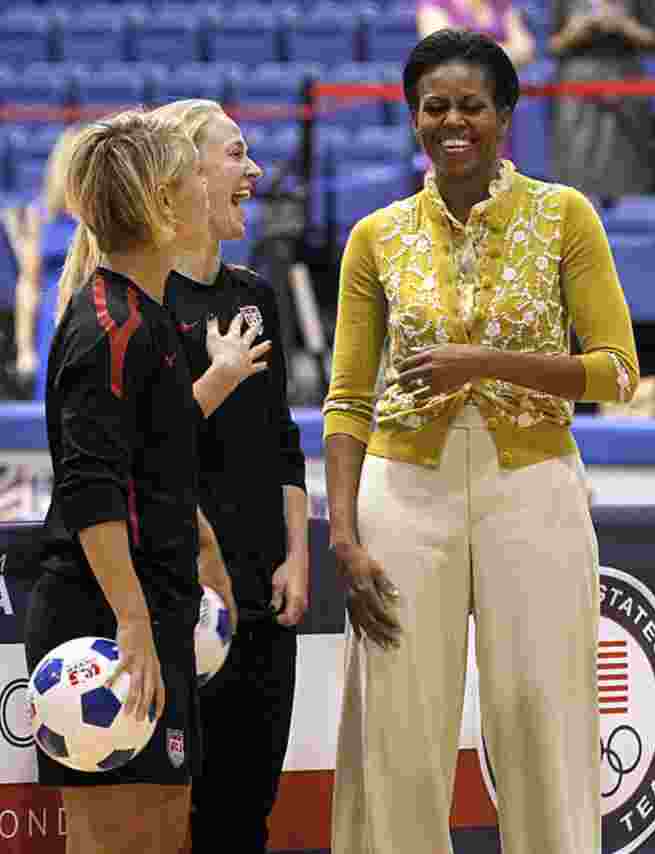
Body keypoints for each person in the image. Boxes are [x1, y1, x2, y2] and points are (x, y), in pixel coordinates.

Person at [323, 28, 639, 854]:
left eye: (471, 105)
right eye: (435, 106)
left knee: (544, 714)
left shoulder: (564, 214)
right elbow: (348, 401)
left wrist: (487, 363)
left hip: (533, 490)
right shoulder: (375, 237)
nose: (451, 121)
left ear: (504, 115)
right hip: (403, 496)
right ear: (413, 118)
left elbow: (616, 372)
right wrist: (344, 532)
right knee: (398, 724)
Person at [22, 110, 269, 854]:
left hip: (154, 615)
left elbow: (154, 458)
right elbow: (93, 491)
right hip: (103, 622)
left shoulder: (147, 316)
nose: (209, 182)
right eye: (195, 173)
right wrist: (131, 621)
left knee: (164, 837)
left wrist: (202, 550)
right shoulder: (107, 325)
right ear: (163, 200)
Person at [150, 98, 309, 854]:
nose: (255, 171)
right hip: (178, 594)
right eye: (236, 155)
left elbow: (282, 443)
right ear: (184, 175)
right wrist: (214, 378)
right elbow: (137, 453)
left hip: (261, 593)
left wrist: (298, 554)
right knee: (172, 820)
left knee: (248, 814)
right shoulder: (138, 305)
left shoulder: (256, 296)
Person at [548, 0, 655, 204]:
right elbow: (553, 44)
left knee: (628, 169)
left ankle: (629, 226)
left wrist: (623, 25)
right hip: (577, 86)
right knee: (576, 166)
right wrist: (578, 30)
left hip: (627, 83)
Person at [9, 125, 80, 401]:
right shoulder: (39, 214)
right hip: (52, 322)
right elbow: (28, 285)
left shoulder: (103, 214)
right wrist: (25, 349)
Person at [417, 0, 535, 69]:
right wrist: (503, 50)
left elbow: (524, 50)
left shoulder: (502, 4)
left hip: (498, 93)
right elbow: (444, 50)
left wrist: (473, 48)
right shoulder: (434, 4)